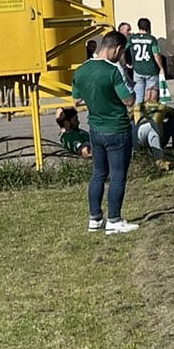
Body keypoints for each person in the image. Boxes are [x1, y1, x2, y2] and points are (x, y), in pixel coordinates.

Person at [72, 35, 138, 232]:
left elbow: (76, 101)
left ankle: (95, 218)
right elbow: (128, 100)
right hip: (116, 128)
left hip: (95, 129)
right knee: (117, 175)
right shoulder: (113, 70)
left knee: (98, 174)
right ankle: (114, 220)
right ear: (117, 49)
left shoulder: (81, 70)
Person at [126, 16, 166, 105]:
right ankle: (150, 113)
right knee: (151, 94)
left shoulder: (132, 38)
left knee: (139, 97)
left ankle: (138, 115)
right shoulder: (151, 39)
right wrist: (161, 68)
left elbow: (125, 50)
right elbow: (156, 54)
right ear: (148, 27)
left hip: (137, 70)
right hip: (151, 70)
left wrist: (128, 63)